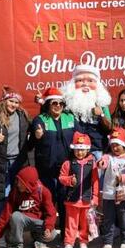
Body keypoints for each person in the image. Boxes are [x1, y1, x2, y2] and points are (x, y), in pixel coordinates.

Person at [28, 87, 75, 228]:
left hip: (65, 169)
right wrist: (37, 135)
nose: (58, 106)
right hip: (46, 169)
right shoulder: (40, 119)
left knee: (64, 200)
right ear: (48, 104)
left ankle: (65, 234)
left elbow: (81, 137)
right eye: (54, 103)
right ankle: (45, 231)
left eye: (61, 103)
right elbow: (32, 140)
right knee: (47, 200)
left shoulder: (70, 117)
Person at [0, 166, 58, 248]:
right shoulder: (15, 192)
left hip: (38, 222)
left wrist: (48, 228)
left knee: (52, 234)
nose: (18, 184)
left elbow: (51, 213)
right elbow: (6, 212)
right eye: (18, 181)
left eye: (21, 182)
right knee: (15, 216)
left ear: (29, 184)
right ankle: (16, 246)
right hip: (22, 221)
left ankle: (38, 242)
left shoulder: (44, 192)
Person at [0, 86, 31, 211]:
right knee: (3, 192)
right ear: (5, 100)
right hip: (1, 161)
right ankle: (3, 221)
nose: (14, 105)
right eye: (11, 101)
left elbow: (35, 126)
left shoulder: (22, 116)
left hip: (19, 161)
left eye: (16, 102)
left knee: (19, 190)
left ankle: (16, 219)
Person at [97, 127, 125, 248]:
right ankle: (107, 243)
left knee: (124, 220)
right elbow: (103, 162)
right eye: (113, 145)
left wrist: (123, 178)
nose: (115, 148)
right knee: (108, 220)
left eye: (117, 145)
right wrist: (101, 163)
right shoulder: (108, 156)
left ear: (124, 144)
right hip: (109, 195)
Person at [60, 64, 112, 160]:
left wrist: (101, 115)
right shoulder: (68, 103)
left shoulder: (102, 102)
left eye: (90, 81)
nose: (85, 84)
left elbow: (109, 127)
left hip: (96, 150)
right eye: (80, 80)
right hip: (75, 151)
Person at [58, 133, 99, 248]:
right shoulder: (68, 163)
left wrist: (95, 197)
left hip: (86, 201)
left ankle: (83, 243)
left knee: (84, 224)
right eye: (77, 149)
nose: (79, 152)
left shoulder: (92, 164)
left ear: (87, 149)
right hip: (72, 201)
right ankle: (68, 243)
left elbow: (95, 182)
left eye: (82, 150)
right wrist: (70, 180)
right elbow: (61, 177)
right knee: (71, 223)